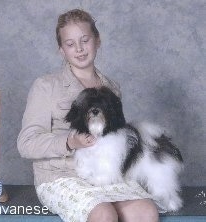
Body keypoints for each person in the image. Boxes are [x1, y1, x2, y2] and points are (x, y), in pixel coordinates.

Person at [17, 9, 159, 222]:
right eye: (70, 44)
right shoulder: (46, 86)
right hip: (60, 177)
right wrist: (69, 142)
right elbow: (26, 143)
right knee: (103, 214)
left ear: (97, 41)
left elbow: (116, 138)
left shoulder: (112, 88)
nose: (80, 49)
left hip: (106, 175)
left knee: (146, 212)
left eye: (85, 40)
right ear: (61, 50)